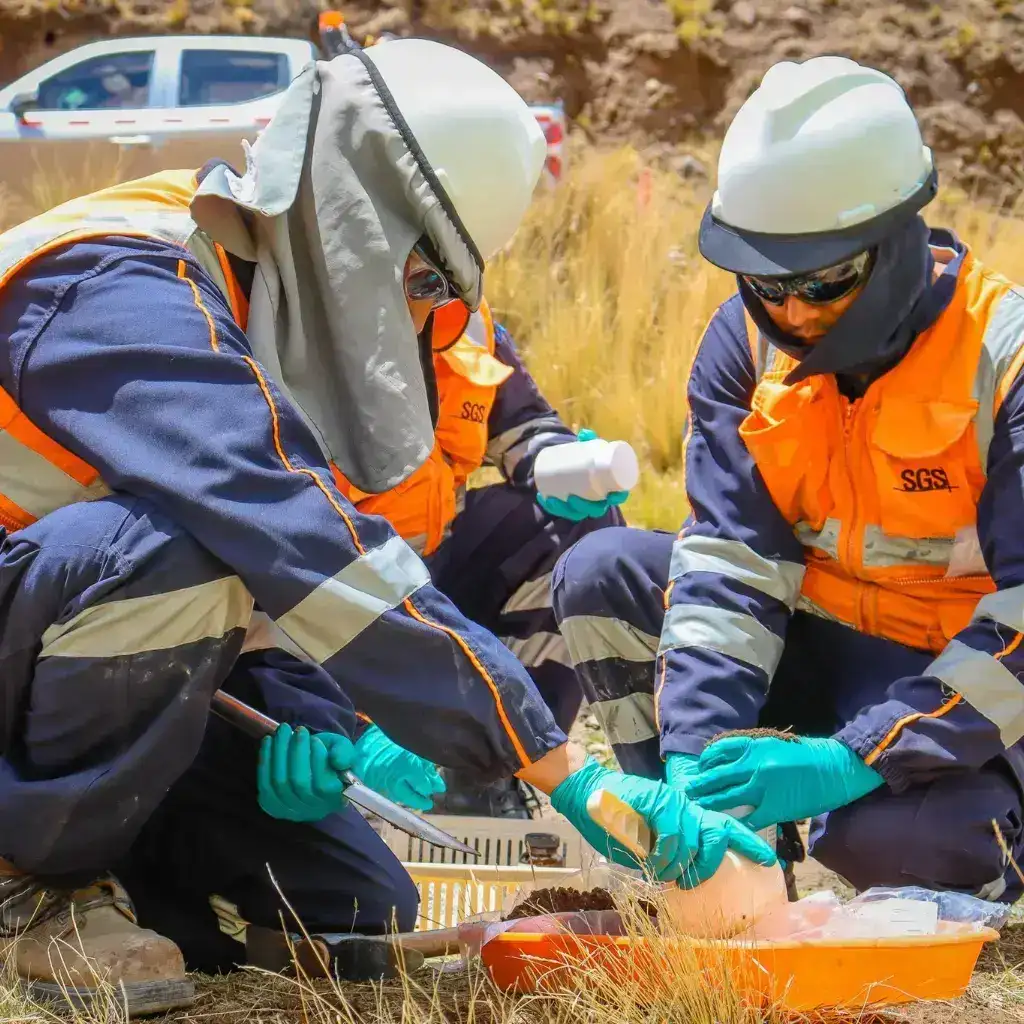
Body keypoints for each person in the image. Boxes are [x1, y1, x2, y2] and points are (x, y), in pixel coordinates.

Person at [0, 38, 774, 1016]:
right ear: (350, 223)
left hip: (76, 671)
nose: (421, 322)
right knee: (181, 547)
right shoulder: (121, 281)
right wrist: (561, 767)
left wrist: (314, 723)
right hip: (27, 656)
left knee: (357, 907)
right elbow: (273, 535)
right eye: (420, 284)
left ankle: (122, 873)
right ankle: (33, 894)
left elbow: (259, 605)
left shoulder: (265, 313)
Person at [552, 54, 1024, 905]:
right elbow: (731, 566)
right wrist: (697, 753)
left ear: (901, 239)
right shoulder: (744, 347)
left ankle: (978, 829)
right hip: (813, 638)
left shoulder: (1006, 362)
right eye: (768, 282)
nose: (794, 312)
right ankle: (709, 846)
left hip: (958, 685)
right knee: (604, 573)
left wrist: (854, 759)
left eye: (826, 281)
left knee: (894, 847)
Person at [330, 296, 628, 817]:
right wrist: (355, 726)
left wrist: (561, 460)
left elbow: (525, 427)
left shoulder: (467, 317)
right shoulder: (306, 320)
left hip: (433, 573)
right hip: (330, 582)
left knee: (582, 532)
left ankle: (498, 771)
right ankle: (349, 745)